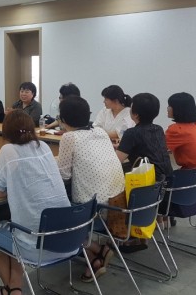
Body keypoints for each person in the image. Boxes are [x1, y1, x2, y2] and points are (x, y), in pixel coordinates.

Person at [0, 110, 73, 295]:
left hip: (37, 246)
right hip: (68, 239)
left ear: (6, 131)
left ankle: (12, 289)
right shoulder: (43, 146)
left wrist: (15, 188)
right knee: (17, 225)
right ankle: (14, 285)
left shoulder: (8, 150)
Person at [57, 96, 123, 282]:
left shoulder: (69, 137)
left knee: (56, 219)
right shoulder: (100, 132)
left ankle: (96, 250)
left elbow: (64, 176)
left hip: (94, 208)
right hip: (117, 202)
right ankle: (97, 256)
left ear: (63, 119)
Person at [116, 93, 173, 182]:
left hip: (149, 183)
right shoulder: (158, 129)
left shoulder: (131, 133)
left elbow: (116, 161)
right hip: (167, 180)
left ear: (136, 114)